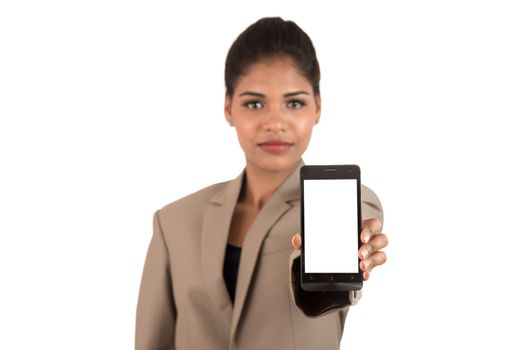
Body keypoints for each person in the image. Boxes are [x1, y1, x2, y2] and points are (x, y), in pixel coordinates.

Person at [135, 17, 388, 350]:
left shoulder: (350, 202)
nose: (274, 123)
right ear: (228, 108)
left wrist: (347, 258)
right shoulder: (174, 222)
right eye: (254, 103)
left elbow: (327, 295)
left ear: (318, 107)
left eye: (294, 103)